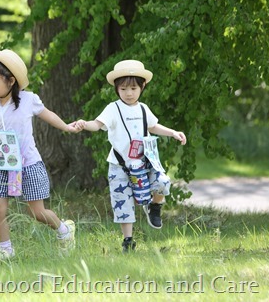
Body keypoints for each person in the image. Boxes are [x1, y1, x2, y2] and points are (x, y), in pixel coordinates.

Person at [0, 48, 80, 261]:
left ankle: (65, 230)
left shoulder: (29, 99)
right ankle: (5, 249)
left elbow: (48, 115)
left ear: (11, 81)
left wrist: (67, 127)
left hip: (28, 164)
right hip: (1, 165)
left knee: (37, 212)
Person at [75, 60, 187, 252]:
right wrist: (84, 124)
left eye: (133, 88)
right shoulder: (113, 108)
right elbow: (97, 123)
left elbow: (153, 126)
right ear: (117, 89)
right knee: (123, 202)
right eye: (124, 88)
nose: (129, 93)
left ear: (142, 87)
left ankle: (155, 206)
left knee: (163, 182)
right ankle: (128, 240)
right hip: (120, 165)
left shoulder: (143, 108)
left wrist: (173, 132)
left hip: (144, 161)